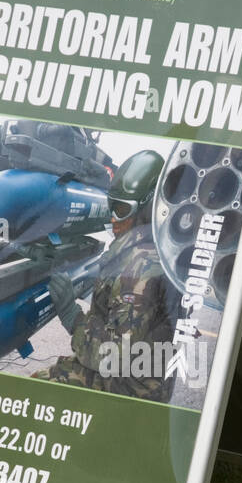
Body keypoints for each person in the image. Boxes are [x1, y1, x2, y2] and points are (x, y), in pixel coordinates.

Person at [37, 150, 180, 402]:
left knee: (28, 395)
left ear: (147, 209)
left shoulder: (140, 269)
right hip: (136, 376)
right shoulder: (151, 247)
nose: (113, 216)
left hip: (131, 390)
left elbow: (113, 357)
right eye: (111, 205)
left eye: (122, 209)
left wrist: (73, 318)